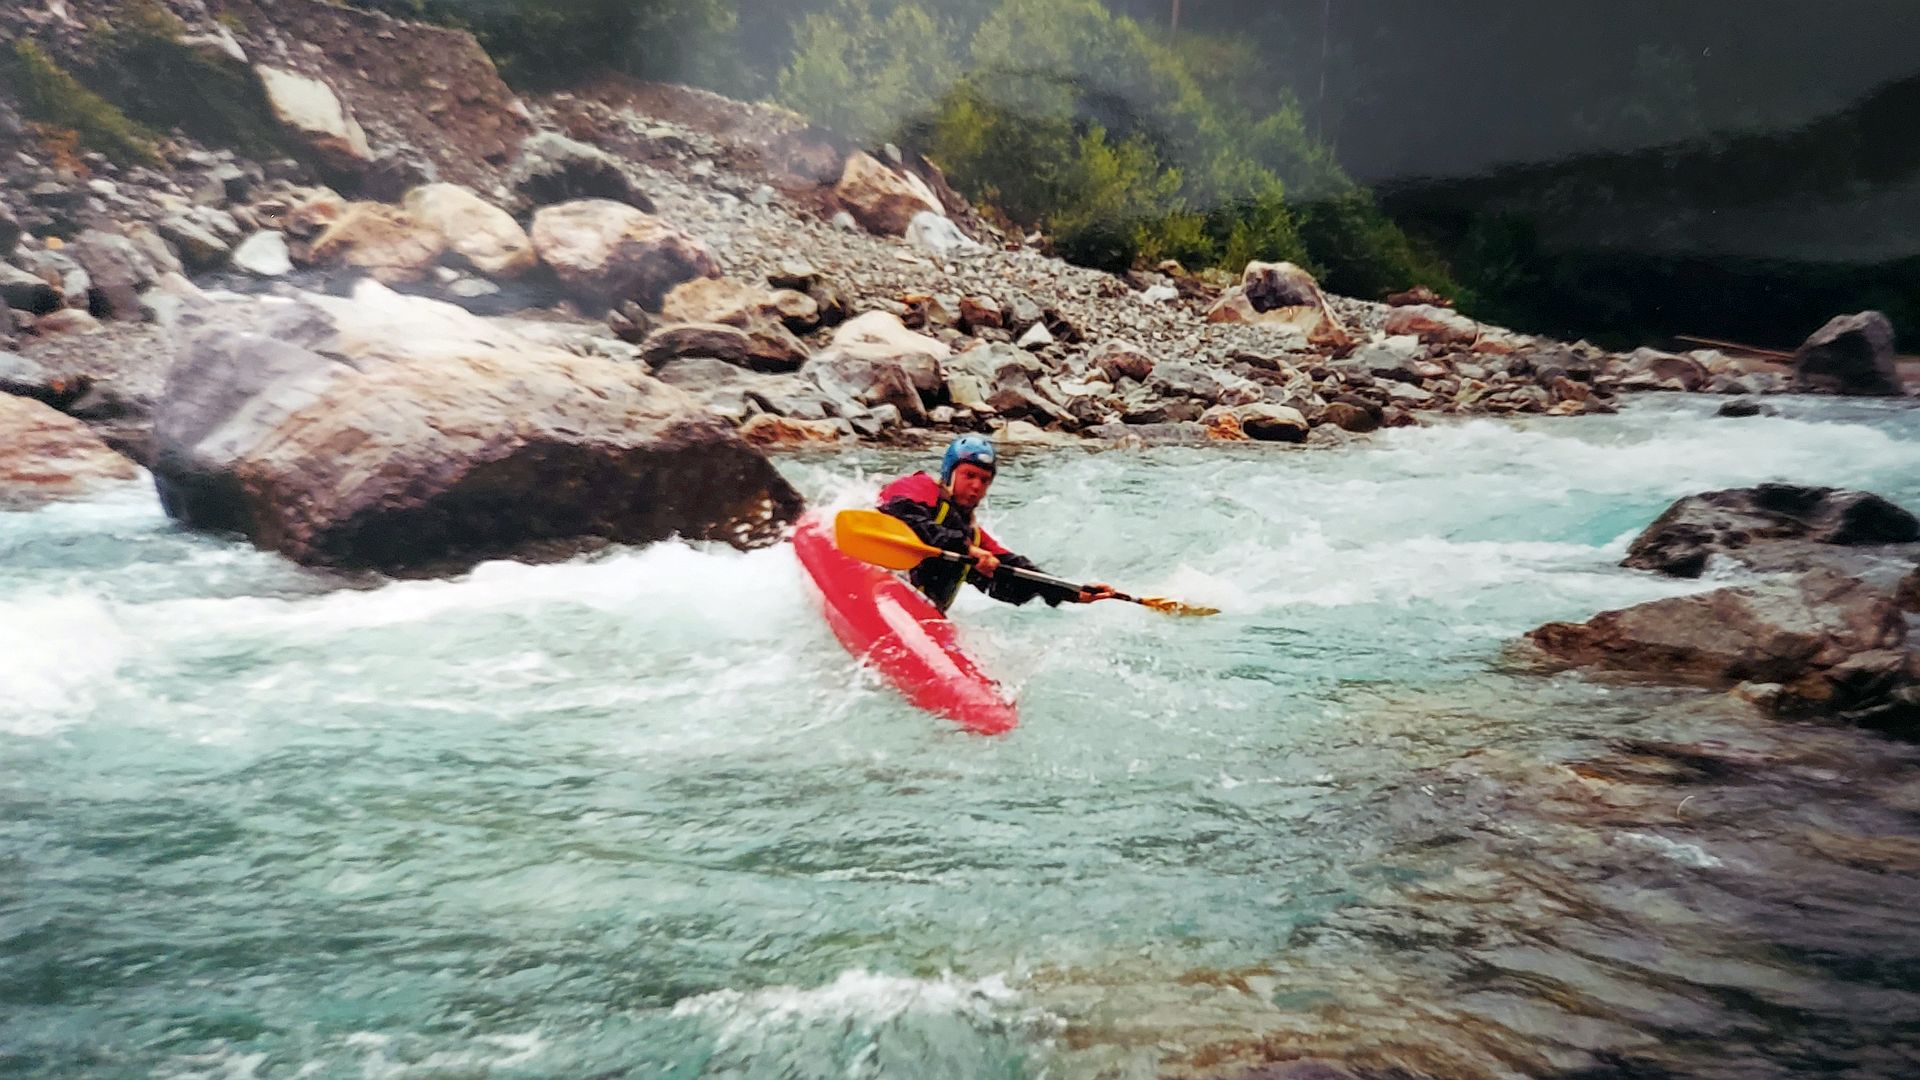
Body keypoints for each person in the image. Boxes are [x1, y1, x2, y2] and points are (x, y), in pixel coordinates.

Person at [877, 435, 1117, 613]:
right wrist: (967, 550)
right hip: (882, 584)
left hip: (921, 611)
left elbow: (1016, 571)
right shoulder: (918, 487)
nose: (976, 486)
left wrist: (1073, 592)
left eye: (984, 480)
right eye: (969, 475)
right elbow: (901, 515)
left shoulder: (975, 538)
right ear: (949, 473)